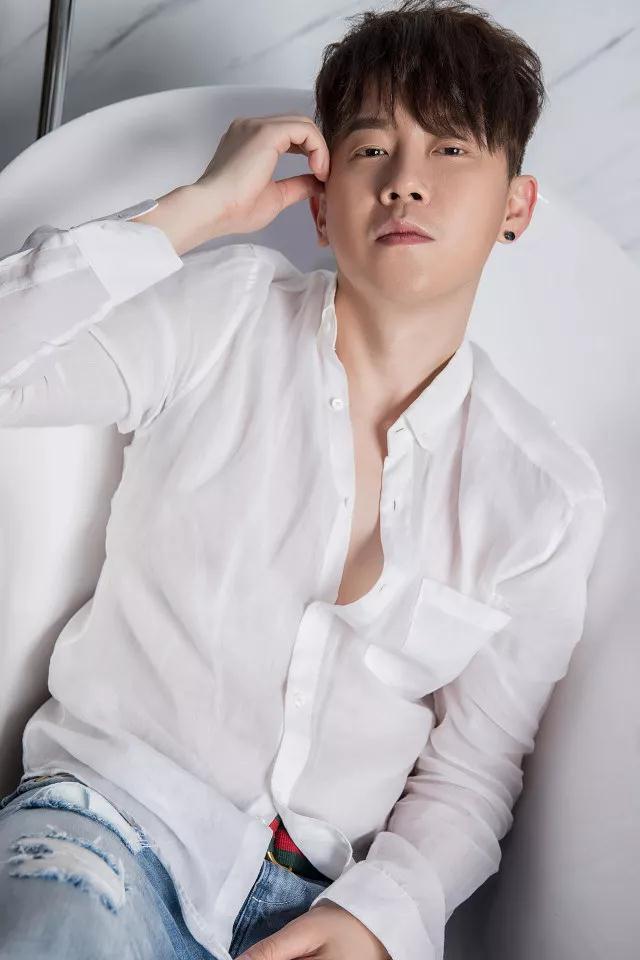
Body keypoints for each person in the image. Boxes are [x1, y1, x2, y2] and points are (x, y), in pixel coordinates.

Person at [0, 1, 607, 959]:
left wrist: (376, 920)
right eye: (371, 150)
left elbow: (473, 773)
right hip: (105, 833)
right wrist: (195, 210)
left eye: (450, 149)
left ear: (515, 207)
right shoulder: (221, 317)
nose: (405, 182)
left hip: (321, 910)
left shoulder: (545, 499)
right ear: (321, 205)